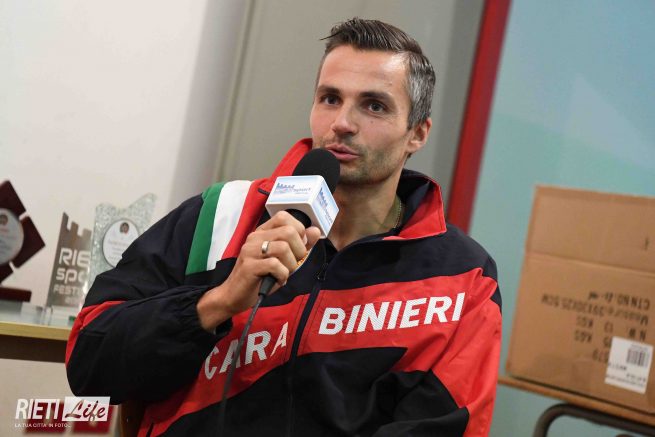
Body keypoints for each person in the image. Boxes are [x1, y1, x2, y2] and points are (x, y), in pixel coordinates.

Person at [66, 18, 501, 437]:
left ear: (417, 134)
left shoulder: (463, 278)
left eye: (374, 106)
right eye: (330, 98)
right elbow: (89, 362)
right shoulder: (218, 216)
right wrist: (217, 303)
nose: (342, 123)